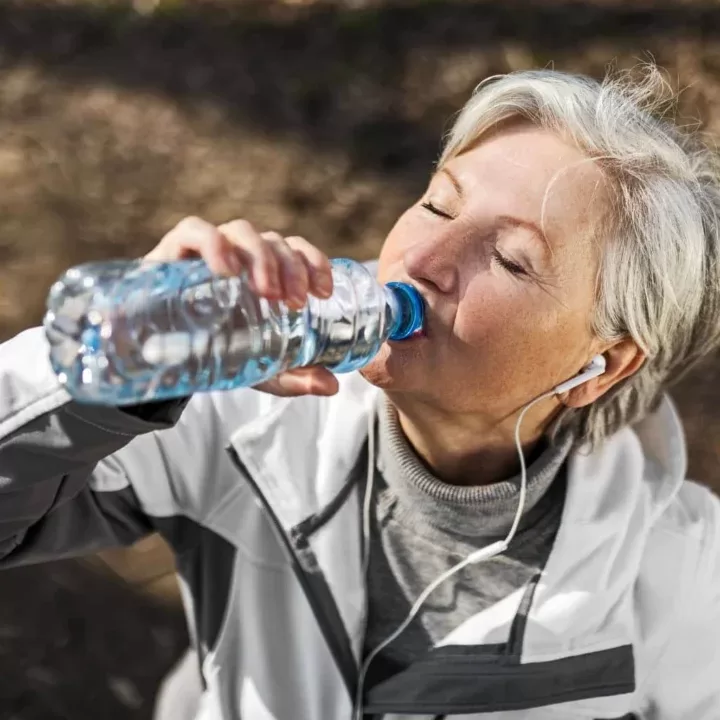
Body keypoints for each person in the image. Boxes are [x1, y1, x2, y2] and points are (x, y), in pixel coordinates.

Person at [1, 66, 719, 720]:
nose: (422, 260)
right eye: (439, 205)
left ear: (605, 364)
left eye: (509, 258)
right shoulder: (241, 419)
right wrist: (112, 370)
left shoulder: (683, 576)